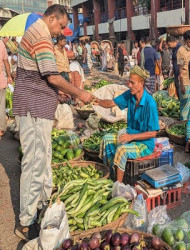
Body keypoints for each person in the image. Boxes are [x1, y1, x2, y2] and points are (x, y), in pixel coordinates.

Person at [13, 5, 94, 241]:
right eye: (60, 25)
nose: (61, 31)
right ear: (51, 18)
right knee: (35, 163)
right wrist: (80, 93)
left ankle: (41, 206)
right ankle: (26, 222)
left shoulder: (40, 32)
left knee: (42, 158)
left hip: (38, 106)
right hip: (33, 109)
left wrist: (57, 93)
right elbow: (53, 76)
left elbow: (40, 76)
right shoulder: (41, 36)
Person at [97, 66, 159, 182]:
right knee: (106, 139)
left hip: (145, 144)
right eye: (129, 82)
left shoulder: (150, 103)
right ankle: (111, 173)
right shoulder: (129, 95)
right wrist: (96, 100)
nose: (129, 85)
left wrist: (131, 137)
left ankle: (117, 185)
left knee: (122, 151)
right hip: (131, 136)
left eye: (132, 82)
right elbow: (111, 103)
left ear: (141, 84)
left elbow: (153, 133)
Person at [176, 31, 190, 120]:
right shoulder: (180, 51)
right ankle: (183, 125)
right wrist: (182, 85)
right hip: (185, 82)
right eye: (189, 42)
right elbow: (180, 70)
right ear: (184, 41)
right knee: (184, 107)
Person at [0, 38, 12, 138]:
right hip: (0, 81)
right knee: (1, 106)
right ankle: (1, 129)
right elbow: (6, 61)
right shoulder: (1, 44)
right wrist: (9, 76)